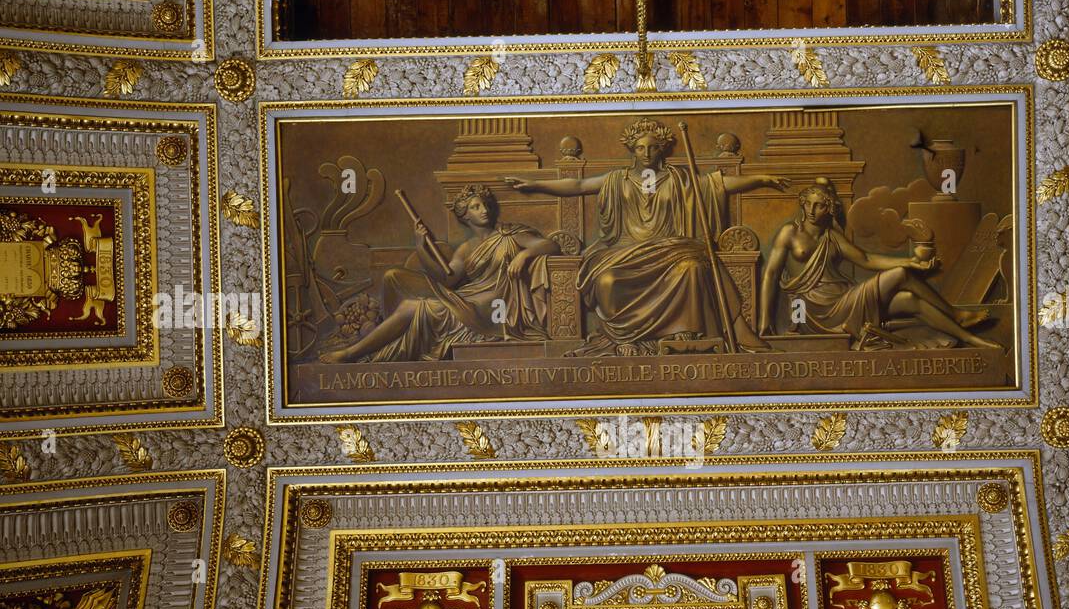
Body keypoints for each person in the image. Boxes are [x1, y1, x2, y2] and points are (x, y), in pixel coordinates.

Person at [504, 118, 789, 354]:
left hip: (672, 248)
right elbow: (577, 185)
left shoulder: (679, 179)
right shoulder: (617, 180)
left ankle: (684, 335)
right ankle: (624, 338)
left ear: (662, 150)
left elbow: (719, 184)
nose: (647, 153)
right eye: (641, 147)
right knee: (607, 280)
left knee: (692, 267)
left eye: (653, 148)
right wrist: (536, 184)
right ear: (632, 149)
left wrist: (761, 179)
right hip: (624, 250)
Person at [319, 184, 557, 363]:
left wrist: (523, 255)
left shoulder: (509, 234)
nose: (484, 210)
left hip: (492, 310)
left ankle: (351, 353)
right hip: (467, 300)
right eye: (476, 207)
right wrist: (421, 247)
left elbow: (550, 245)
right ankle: (379, 339)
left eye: (485, 204)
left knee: (412, 307)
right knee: (395, 279)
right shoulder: (466, 249)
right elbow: (448, 278)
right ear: (465, 215)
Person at [758, 184, 999, 350]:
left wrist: (910, 260)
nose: (811, 211)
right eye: (808, 204)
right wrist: (765, 320)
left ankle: (970, 338)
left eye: (819, 205)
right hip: (815, 310)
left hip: (842, 299)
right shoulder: (789, 233)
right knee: (901, 275)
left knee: (909, 300)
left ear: (827, 208)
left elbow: (866, 259)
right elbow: (770, 274)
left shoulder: (832, 236)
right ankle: (956, 314)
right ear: (802, 204)